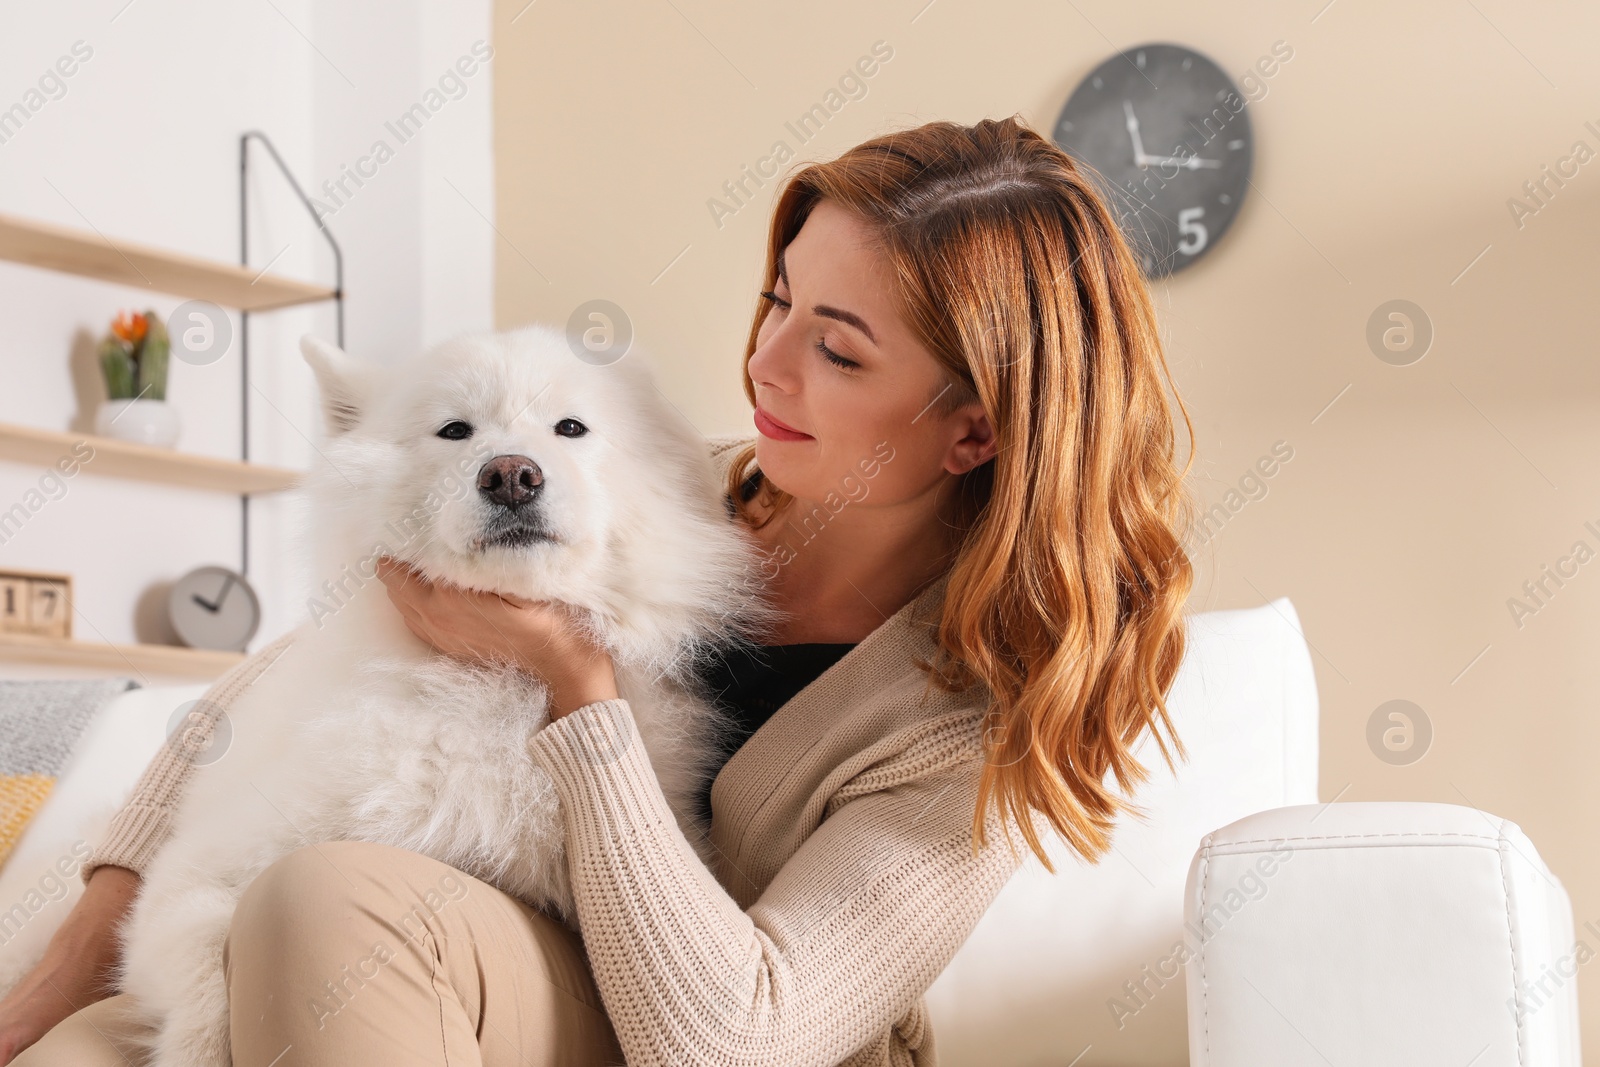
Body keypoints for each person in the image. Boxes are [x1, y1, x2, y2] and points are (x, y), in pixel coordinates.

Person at [0, 113, 1198, 1067]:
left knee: (332, 906)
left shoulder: (969, 722)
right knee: (84, 1049)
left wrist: (574, 684)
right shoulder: (661, 490)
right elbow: (302, 673)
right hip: (481, 956)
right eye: (778, 296)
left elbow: (735, 1038)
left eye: (838, 347)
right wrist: (68, 961)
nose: (765, 362)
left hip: (690, 1027)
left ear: (972, 431)